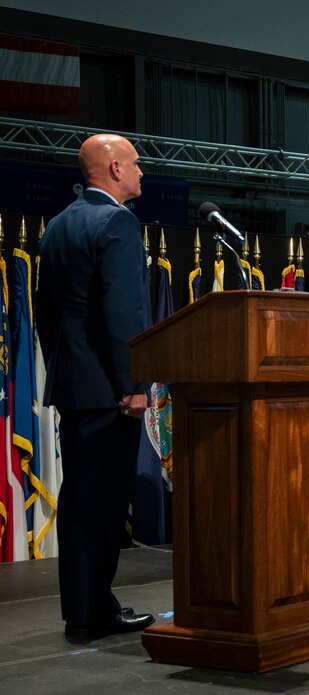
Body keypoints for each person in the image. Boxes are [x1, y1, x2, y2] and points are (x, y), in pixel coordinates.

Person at [37, 134, 155, 637]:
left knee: (81, 501)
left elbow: (48, 314)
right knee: (104, 504)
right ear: (111, 169)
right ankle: (95, 613)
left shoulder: (59, 224)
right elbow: (124, 312)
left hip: (74, 385)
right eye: (133, 163)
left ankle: (83, 610)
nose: (141, 173)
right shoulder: (117, 222)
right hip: (110, 390)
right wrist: (133, 384)